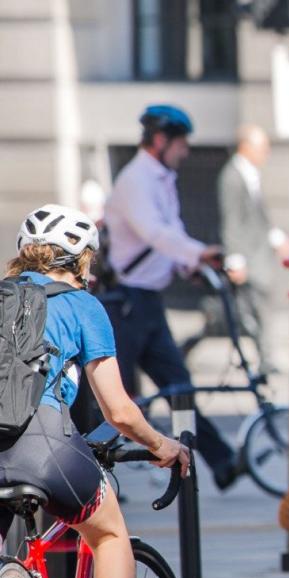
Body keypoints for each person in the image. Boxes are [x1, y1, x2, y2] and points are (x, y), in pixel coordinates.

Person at [1, 205, 190, 578]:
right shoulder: (82, 305)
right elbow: (119, 411)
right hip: (44, 442)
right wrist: (161, 445)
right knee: (108, 535)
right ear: (81, 259)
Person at [101, 105, 240, 491]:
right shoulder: (135, 179)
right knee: (116, 400)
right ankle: (97, 479)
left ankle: (220, 460)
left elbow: (170, 233)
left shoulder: (162, 179)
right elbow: (154, 233)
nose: (186, 152)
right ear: (161, 141)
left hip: (148, 301)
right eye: (181, 144)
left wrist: (189, 266)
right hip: (123, 303)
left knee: (179, 387)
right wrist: (197, 252)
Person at [217, 124, 289, 373]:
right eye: (262, 148)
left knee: (260, 308)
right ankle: (264, 357)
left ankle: (265, 356)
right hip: (249, 255)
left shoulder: (249, 174)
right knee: (253, 310)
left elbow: (259, 217)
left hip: (258, 253)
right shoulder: (233, 176)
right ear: (246, 147)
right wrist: (235, 260)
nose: (266, 154)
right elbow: (232, 220)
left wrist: (277, 238)